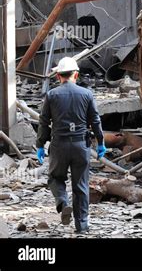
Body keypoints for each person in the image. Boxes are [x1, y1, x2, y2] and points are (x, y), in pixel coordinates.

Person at [36, 57, 106, 233]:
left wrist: (40, 145)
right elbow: (95, 121)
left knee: (55, 178)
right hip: (81, 145)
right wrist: (101, 143)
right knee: (81, 185)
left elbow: (44, 122)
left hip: (59, 145)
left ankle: (62, 202)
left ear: (58, 76)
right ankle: (81, 226)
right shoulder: (87, 94)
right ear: (76, 74)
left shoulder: (52, 95)